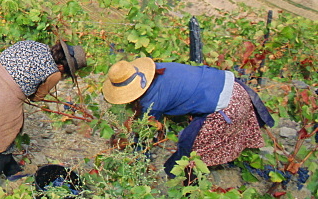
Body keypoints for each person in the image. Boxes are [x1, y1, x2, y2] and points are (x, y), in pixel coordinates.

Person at [102, 57, 273, 180]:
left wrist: (138, 155)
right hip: (234, 87)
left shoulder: (152, 100)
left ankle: (183, 180)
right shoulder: (159, 68)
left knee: (190, 147)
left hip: (229, 108)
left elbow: (146, 132)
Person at [0, 39, 86, 190]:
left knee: (8, 138)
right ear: (63, 66)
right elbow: (36, 97)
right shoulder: (54, 73)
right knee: (1, 146)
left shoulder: (33, 44)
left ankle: (13, 172)